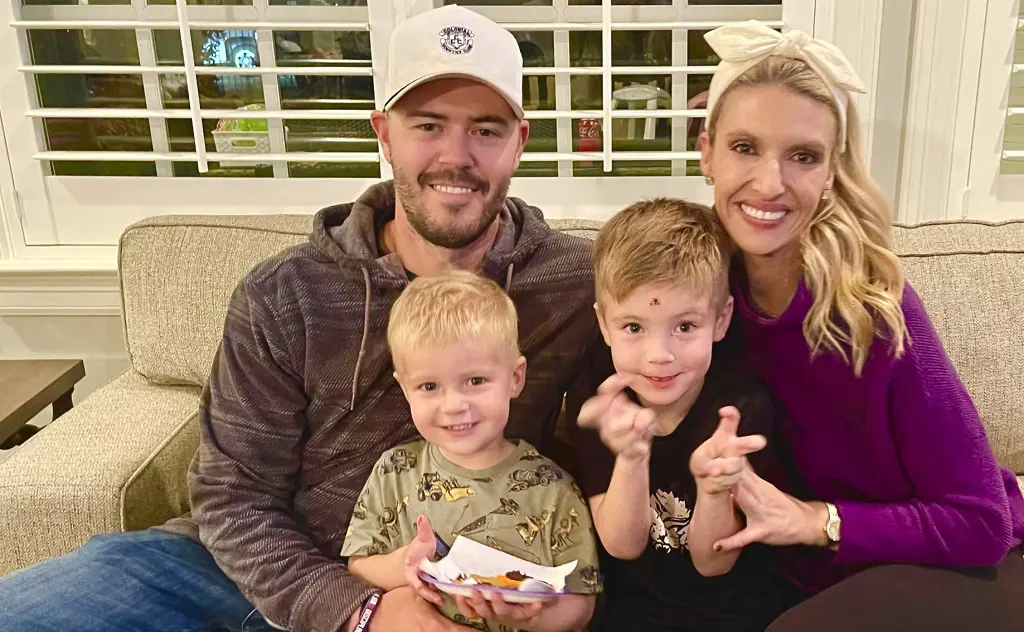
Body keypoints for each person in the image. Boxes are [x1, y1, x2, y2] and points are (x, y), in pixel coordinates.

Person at [0, 6, 598, 632]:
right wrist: (357, 612)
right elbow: (233, 495)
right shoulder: (286, 293)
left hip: (457, 584)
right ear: (384, 132)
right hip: (236, 574)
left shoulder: (572, 286)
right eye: (427, 125)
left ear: (519, 143)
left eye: (485, 129)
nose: (456, 156)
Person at [698, 19, 1024, 630]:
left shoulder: (876, 311)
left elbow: (982, 522)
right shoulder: (695, 302)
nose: (770, 183)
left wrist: (813, 520)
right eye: (745, 147)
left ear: (830, 176)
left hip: (961, 565)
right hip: (802, 576)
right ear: (706, 152)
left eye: (803, 157)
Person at [565, 198, 786, 631]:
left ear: (721, 321)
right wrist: (631, 458)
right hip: (631, 611)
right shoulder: (601, 398)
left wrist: (714, 488)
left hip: (734, 610)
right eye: (633, 328)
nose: (659, 356)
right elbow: (621, 546)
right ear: (605, 324)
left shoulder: (740, 410)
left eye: (685, 327)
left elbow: (713, 564)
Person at [342, 271, 601, 632]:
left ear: (515, 378)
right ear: (404, 389)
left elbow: (581, 603)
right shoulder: (395, 471)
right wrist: (404, 564)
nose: (454, 406)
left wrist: (528, 617)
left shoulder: (553, 489)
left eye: (475, 381)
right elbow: (358, 563)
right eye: (429, 386)